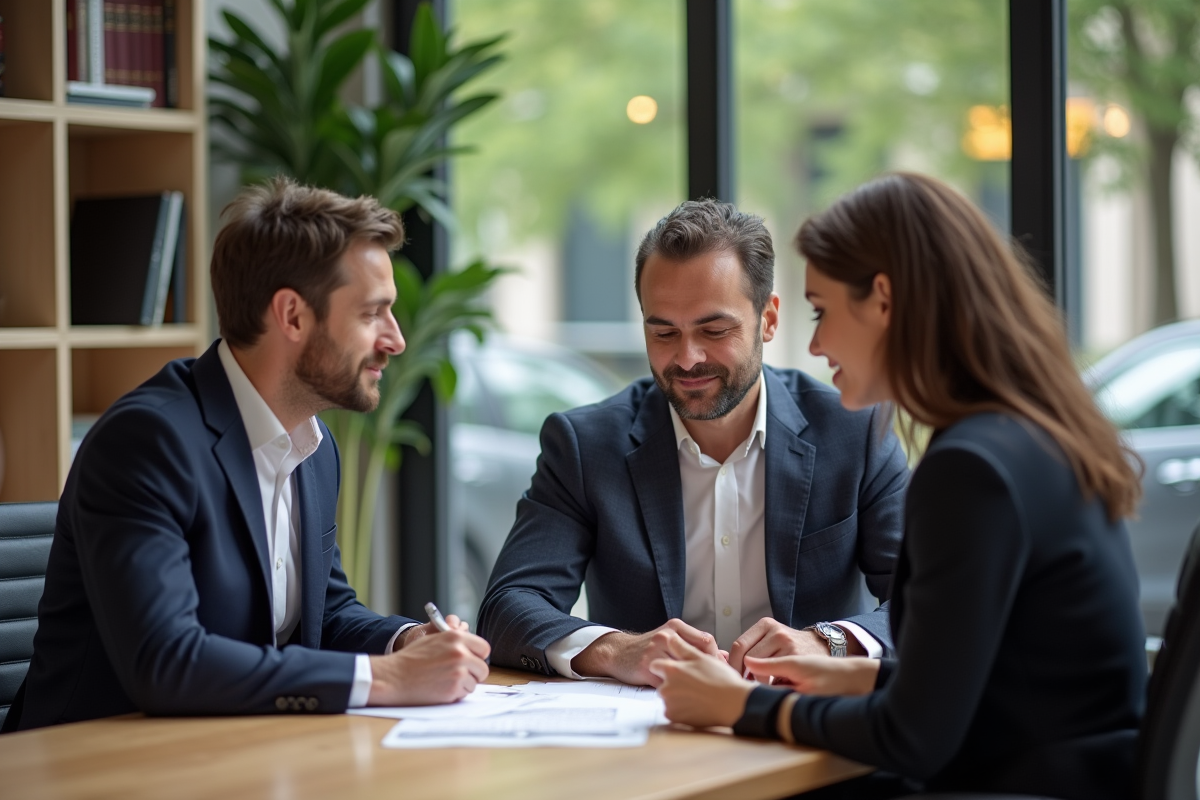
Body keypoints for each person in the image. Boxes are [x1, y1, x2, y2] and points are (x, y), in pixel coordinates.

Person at [650, 173, 1148, 800]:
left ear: (882, 300)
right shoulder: (1022, 436)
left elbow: (915, 735)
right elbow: (986, 681)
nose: (816, 343)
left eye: (823, 311)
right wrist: (847, 678)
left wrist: (742, 705)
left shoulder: (973, 469)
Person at [10, 178, 490, 730]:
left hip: (232, 752)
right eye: (371, 314)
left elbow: (326, 614)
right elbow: (166, 662)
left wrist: (407, 642)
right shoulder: (147, 442)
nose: (396, 339)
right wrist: (389, 680)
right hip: (91, 767)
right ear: (291, 316)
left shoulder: (313, 445)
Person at [478, 199, 909, 686]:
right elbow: (508, 608)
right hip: (654, 741)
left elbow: (930, 602)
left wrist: (827, 642)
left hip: (804, 733)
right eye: (663, 332)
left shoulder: (854, 431)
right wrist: (618, 651)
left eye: (714, 329)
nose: (687, 359)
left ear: (768, 319)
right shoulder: (585, 446)